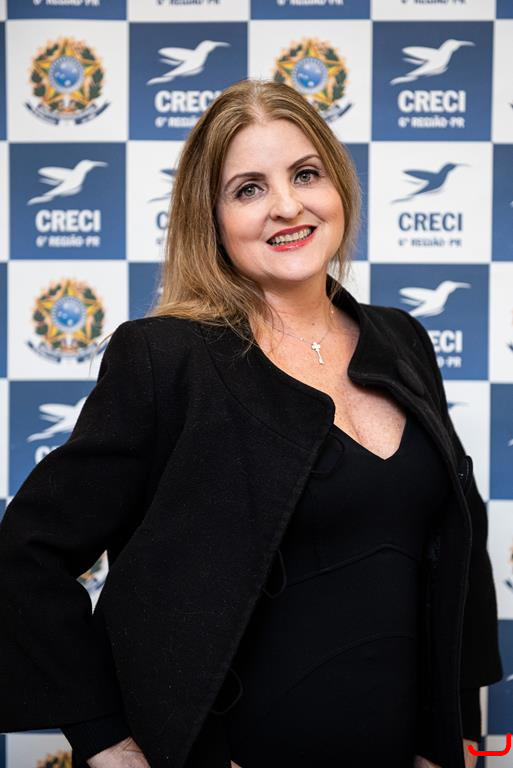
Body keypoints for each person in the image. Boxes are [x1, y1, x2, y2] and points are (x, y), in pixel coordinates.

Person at [0, 79, 502, 768]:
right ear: (209, 218)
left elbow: (457, 549)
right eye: (248, 189)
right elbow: (27, 554)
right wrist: (106, 741)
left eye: (305, 174)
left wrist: (455, 735)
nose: (287, 206)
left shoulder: (402, 340)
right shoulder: (165, 358)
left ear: (339, 185)